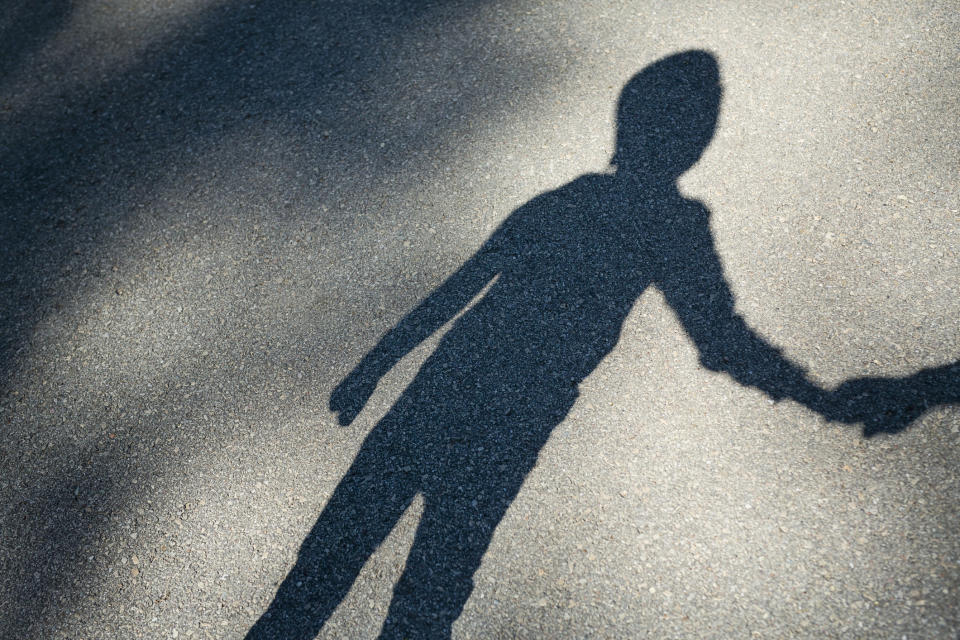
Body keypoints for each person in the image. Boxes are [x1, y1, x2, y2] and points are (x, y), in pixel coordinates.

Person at [246, 50, 957, 639]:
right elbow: (723, 341)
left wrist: (373, 368)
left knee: (318, 580)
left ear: (626, 123)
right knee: (425, 602)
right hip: (505, 430)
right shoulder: (671, 227)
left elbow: (461, 288)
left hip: (432, 400)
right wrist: (819, 399)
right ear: (694, 140)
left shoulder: (570, 199)